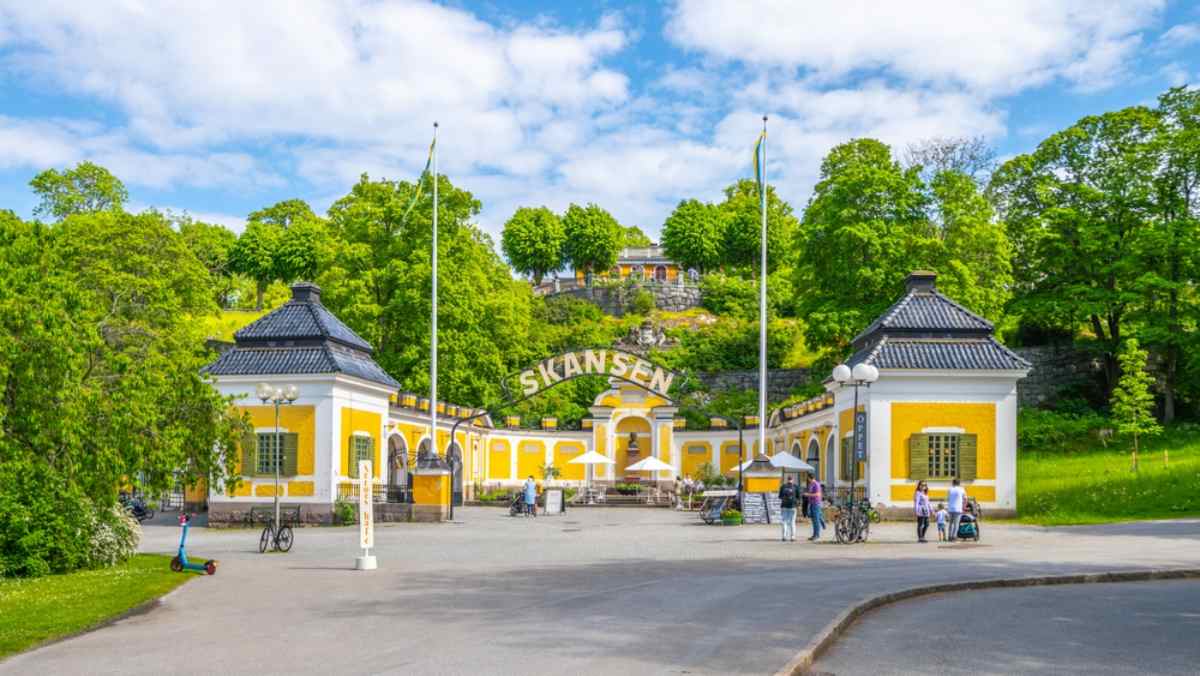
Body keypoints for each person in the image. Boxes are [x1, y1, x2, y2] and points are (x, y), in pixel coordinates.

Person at [778, 476, 800, 542]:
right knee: (792, 522)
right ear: (792, 480)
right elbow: (798, 497)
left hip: (784, 506)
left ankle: (784, 537)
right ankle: (792, 537)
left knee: (784, 521)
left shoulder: (783, 486)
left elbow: (780, 497)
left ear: (787, 480)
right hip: (793, 507)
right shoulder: (796, 487)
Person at [804, 474, 823, 541]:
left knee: (816, 520)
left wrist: (808, 494)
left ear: (809, 478)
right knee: (813, 520)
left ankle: (817, 535)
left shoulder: (816, 484)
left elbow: (818, 494)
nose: (808, 480)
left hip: (816, 503)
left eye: (808, 479)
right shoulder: (811, 484)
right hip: (812, 503)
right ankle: (814, 535)